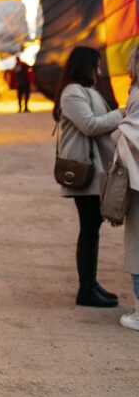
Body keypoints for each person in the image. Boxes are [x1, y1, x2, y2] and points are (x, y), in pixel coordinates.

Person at [53, 45, 122, 307]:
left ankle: (91, 284)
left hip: (96, 171)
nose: (100, 71)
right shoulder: (72, 93)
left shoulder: (87, 91)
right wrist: (121, 114)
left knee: (92, 229)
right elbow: (90, 125)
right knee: (89, 229)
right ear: (86, 66)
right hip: (85, 172)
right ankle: (86, 289)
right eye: (97, 66)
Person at [112, 45, 139, 329]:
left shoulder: (137, 95)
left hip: (137, 179)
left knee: (137, 247)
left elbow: (130, 133)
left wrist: (118, 129)